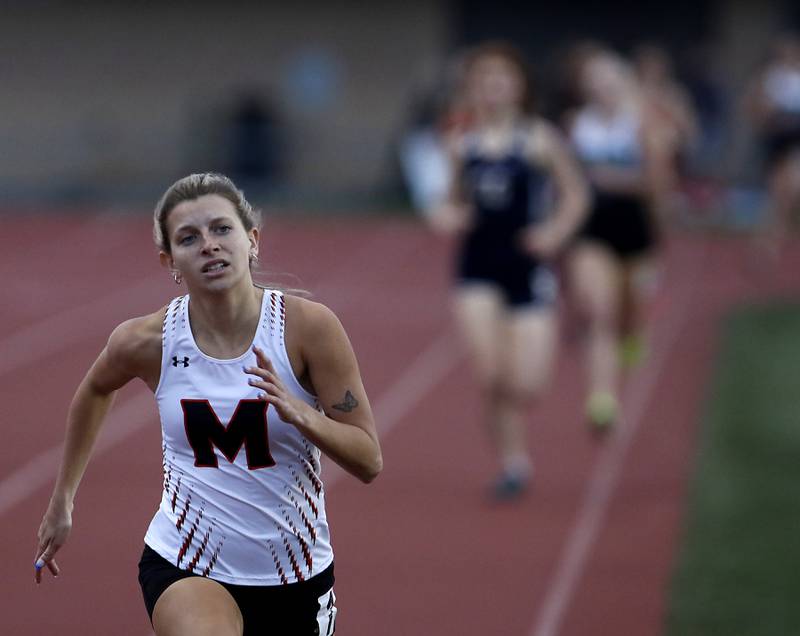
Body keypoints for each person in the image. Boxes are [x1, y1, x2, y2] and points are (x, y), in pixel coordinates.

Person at [34, 173, 382, 635]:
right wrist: (63, 499)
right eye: (188, 238)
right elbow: (96, 390)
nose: (208, 245)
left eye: (222, 229)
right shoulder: (148, 340)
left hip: (293, 576)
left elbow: (368, 459)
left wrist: (301, 415)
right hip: (186, 564)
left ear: (252, 240)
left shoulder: (308, 330)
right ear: (169, 260)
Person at [431, 41, 589, 500]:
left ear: (519, 87)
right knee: (492, 376)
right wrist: (447, 215)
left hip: (528, 265)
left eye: (503, 77)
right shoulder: (462, 142)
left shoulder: (539, 139)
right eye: (484, 78)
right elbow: (448, 200)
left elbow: (576, 195)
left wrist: (555, 233)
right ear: (473, 88)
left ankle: (514, 445)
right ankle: (513, 463)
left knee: (526, 384)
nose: (493, 86)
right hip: (477, 267)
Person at [565, 47, 672, 432]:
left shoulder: (642, 124)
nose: (602, 89)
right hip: (592, 231)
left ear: (622, 84)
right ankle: (602, 398)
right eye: (594, 83)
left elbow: (657, 183)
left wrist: (611, 179)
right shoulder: (577, 125)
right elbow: (569, 181)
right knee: (599, 312)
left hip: (635, 230)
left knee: (629, 314)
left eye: (609, 82)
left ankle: (634, 331)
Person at [744, 32, 800, 261]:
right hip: (778, 138)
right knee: (780, 193)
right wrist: (768, 119)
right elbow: (753, 108)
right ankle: (770, 239)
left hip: (795, 135)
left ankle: (772, 239)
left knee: (790, 189)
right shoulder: (769, 77)